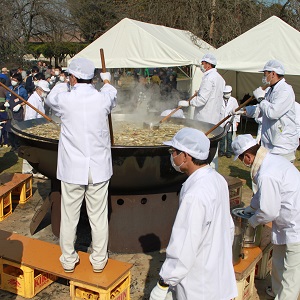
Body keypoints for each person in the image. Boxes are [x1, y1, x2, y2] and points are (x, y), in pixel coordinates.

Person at [45, 57, 117, 273]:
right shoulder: (103, 99)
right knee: (98, 217)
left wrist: (64, 81)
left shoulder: (65, 99)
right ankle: (98, 260)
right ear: (92, 78)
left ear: (73, 77)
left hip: (72, 169)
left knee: (69, 216)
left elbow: (50, 98)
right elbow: (111, 93)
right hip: (98, 168)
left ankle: (68, 259)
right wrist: (106, 81)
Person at [150, 127, 237, 300]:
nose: (172, 156)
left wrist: (164, 282)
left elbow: (184, 244)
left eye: (174, 152)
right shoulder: (217, 179)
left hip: (199, 285)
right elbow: (228, 227)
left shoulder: (195, 194)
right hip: (217, 274)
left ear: (186, 156)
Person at [232, 134, 300, 300]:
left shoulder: (267, 173)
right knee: (278, 260)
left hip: (295, 224)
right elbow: (261, 195)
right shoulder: (271, 161)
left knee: (291, 272)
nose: (244, 163)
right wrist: (251, 209)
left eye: (242, 160)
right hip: (286, 221)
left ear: (248, 156)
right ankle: (277, 291)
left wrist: (252, 221)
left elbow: (269, 212)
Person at [250, 60, 298, 162]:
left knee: (281, 176)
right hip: (270, 143)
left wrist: (261, 99)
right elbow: (261, 109)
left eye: (265, 74)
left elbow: (273, 113)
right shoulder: (271, 90)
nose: (264, 77)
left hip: (282, 146)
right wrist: (243, 111)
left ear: (273, 74)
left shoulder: (285, 91)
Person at [5, 72, 28, 152]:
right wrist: (7, 101)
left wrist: (20, 105)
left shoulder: (22, 90)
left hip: (18, 112)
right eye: (12, 79)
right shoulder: (9, 88)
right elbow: (8, 96)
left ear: (18, 81)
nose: (13, 81)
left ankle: (18, 146)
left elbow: (26, 100)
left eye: (15, 80)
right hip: (10, 112)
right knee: (9, 129)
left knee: (17, 129)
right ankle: (13, 145)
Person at [219, 85, 240, 158]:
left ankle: (229, 152)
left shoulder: (233, 100)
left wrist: (237, 121)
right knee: (222, 138)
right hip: (222, 122)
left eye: (228, 92)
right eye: (225, 92)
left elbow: (237, 111)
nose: (227, 94)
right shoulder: (219, 100)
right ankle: (221, 151)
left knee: (229, 138)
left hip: (230, 122)